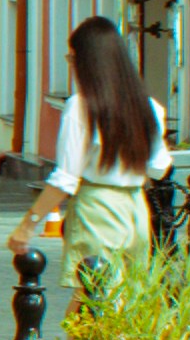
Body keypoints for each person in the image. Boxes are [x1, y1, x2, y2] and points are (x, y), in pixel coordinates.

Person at [17, 15, 171, 266]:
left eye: (72, 58)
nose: (71, 65)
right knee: (128, 298)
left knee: (90, 294)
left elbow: (66, 177)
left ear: (88, 62)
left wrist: (28, 224)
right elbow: (159, 167)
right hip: (136, 208)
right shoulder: (148, 106)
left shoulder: (81, 107)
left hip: (96, 208)